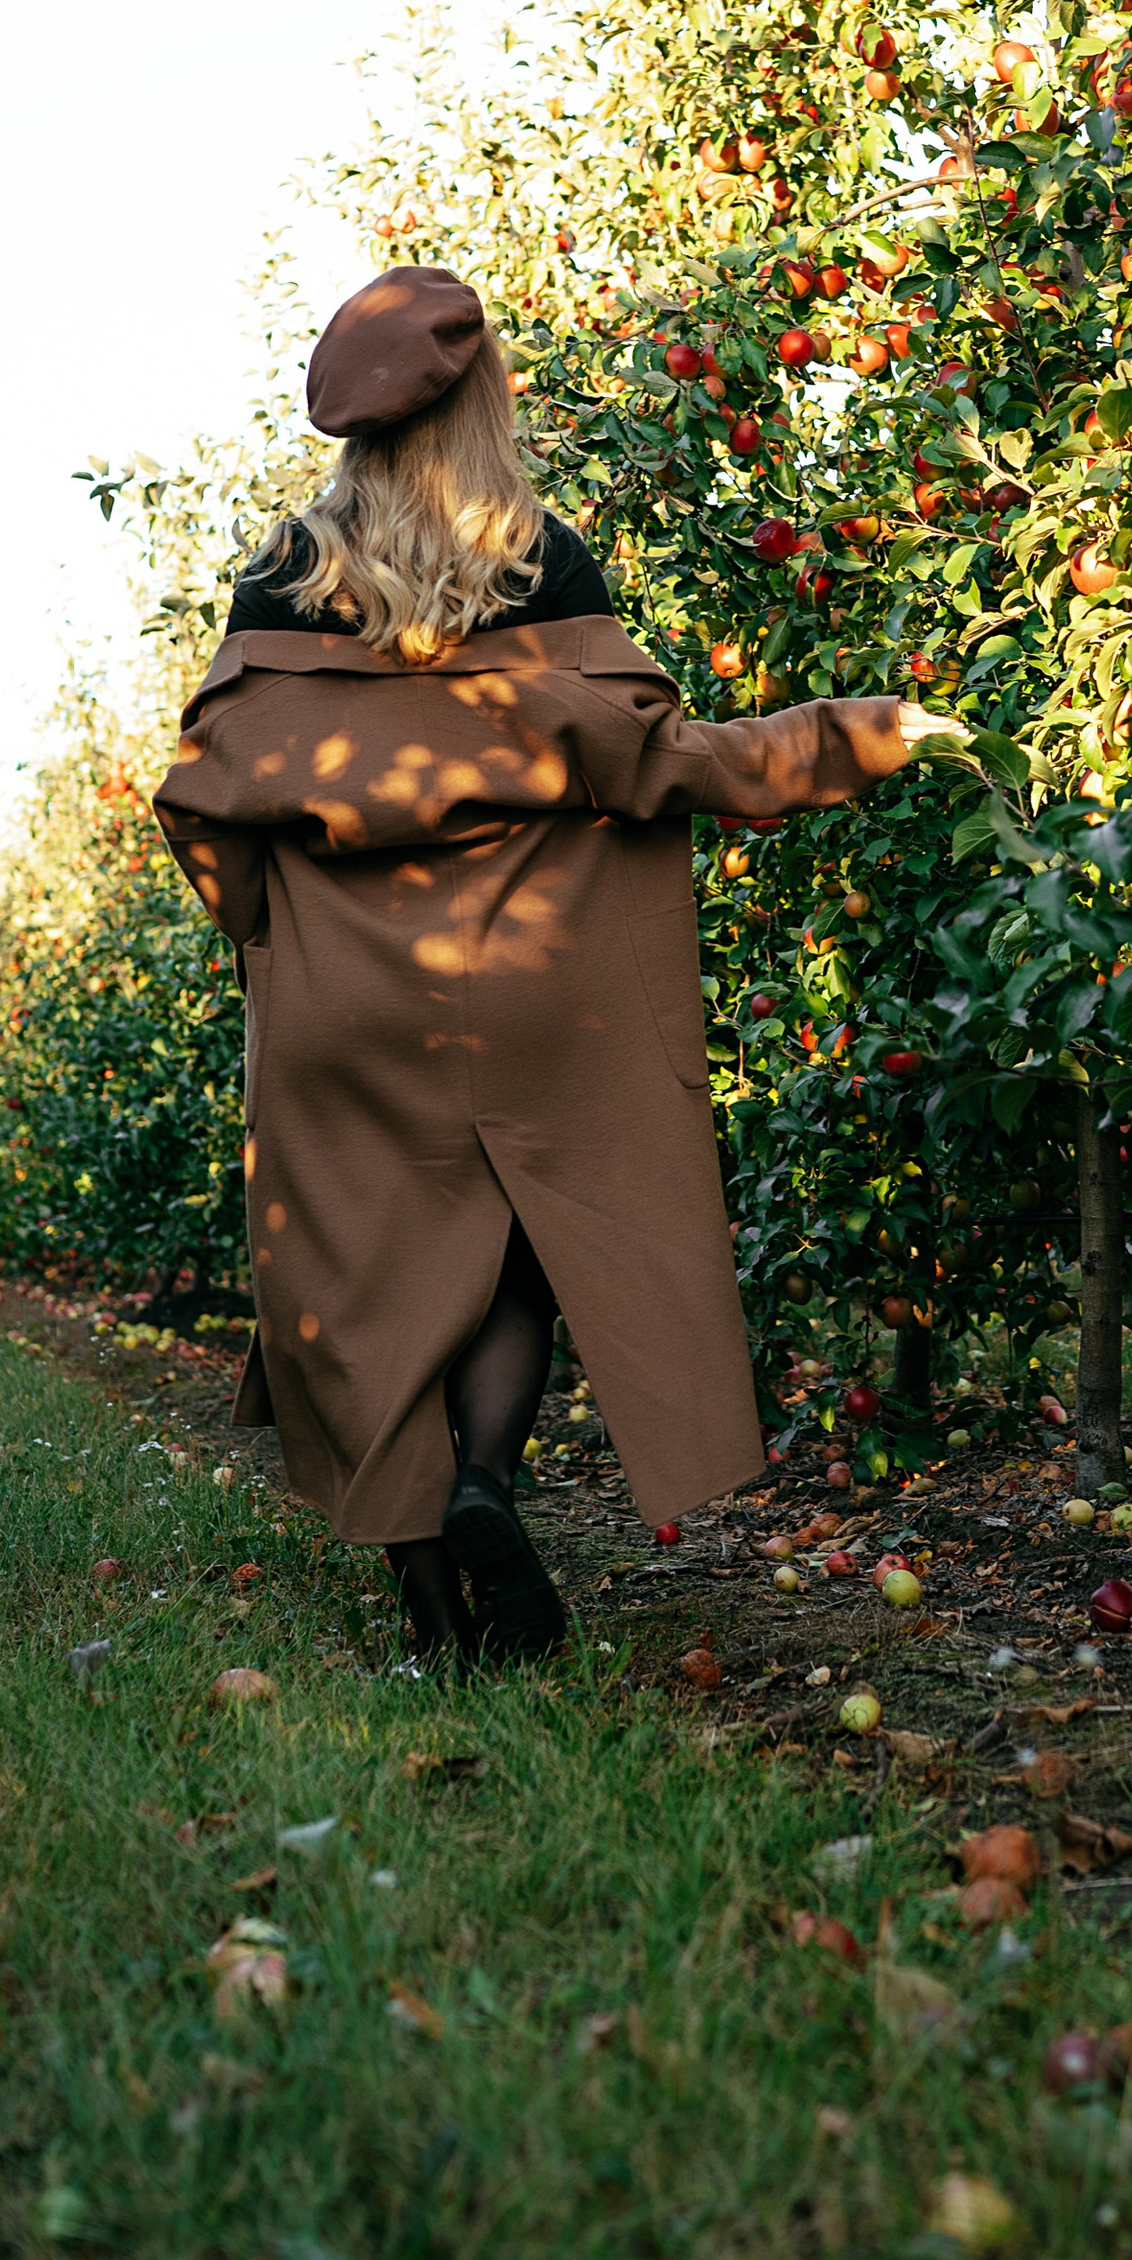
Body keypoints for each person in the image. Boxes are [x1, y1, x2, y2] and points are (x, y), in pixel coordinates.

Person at [153, 262, 962, 1671]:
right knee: (519, 1252)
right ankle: (485, 1482)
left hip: (347, 1005)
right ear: (482, 405)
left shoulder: (283, 580)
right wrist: (863, 734)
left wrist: (269, 936)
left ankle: (434, 1628)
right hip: (533, 988)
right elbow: (665, 763)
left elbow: (204, 805)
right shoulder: (539, 564)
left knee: (360, 1294)